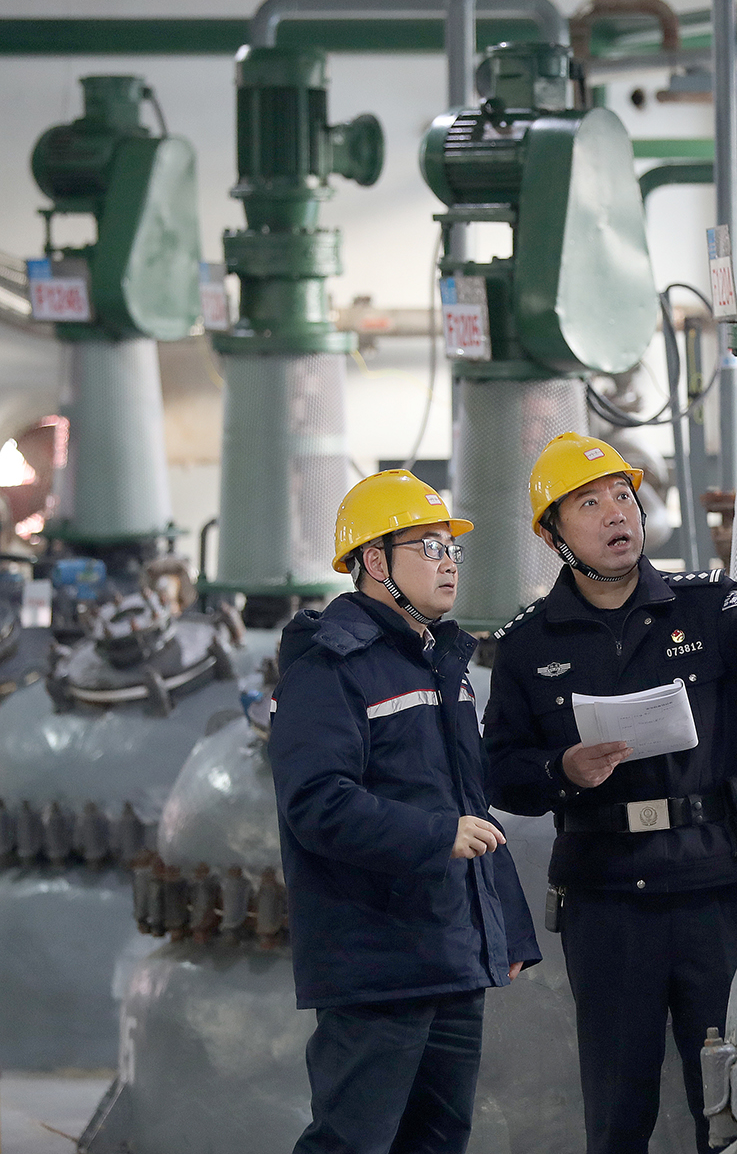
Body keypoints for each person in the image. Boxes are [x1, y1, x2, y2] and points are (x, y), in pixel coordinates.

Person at [482, 433, 737, 1154]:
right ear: (553, 534)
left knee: (730, 1106)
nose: (615, 513)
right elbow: (501, 770)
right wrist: (562, 770)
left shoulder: (706, 605)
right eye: (588, 503)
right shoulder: (530, 644)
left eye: (623, 497)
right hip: (608, 902)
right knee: (618, 1109)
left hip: (714, 888)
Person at [269, 469, 542, 1154]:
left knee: (438, 1139)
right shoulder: (330, 669)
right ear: (374, 561)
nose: (449, 563)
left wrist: (503, 928)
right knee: (352, 1141)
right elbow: (317, 803)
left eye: (452, 548)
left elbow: (470, 806)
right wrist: (437, 835)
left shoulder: (440, 666)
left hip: (449, 950)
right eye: (429, 547)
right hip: (376, 960)